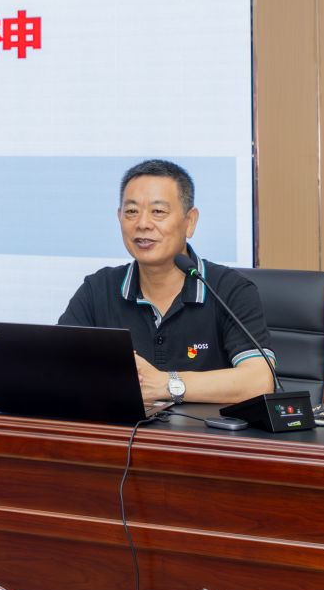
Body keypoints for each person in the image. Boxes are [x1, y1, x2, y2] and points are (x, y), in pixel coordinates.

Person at [58, 158, 275, 414]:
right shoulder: (98, 289)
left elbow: (259, 381)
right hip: (121, 434)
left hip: (203, 436)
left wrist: (166, 384)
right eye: (131, 211)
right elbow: (58, 368)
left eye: (158, 212)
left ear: (190, 221)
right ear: (119, 217)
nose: (142, 223)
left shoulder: (229, 289)